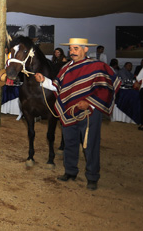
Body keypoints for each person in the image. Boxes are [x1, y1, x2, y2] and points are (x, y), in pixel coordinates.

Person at [34, 38, 120, 191]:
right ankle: (70, 171)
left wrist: (90, 102)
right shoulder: (66, 68)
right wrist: (43, 80)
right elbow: (57, 86)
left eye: (76, 49)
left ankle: (92, 177)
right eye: (71, 49)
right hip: (69, 111)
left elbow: (106, 87)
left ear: (85, 49)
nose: (72, 52)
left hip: (89, 113)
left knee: (90, 145)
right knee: (70, 142)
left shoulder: (97, 66)